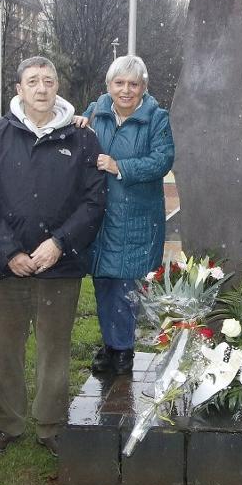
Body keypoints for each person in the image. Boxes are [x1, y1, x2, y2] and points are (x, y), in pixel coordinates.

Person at [0, 56, 106, 457]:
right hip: (3, 266)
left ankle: (51, 425)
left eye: (49, 81)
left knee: (54, 350)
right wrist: (8, 250)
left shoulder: (82, 137)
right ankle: (8, 422)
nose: (42, 88)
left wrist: (59, 243)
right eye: (33, 81)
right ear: (18, 89)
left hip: (58, 266)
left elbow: (93, 201)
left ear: (57, 86)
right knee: (3, 349)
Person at [82, 55, 175, 377]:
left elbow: (162, 160)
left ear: (143, 88)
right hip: (99, 218)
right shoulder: (93, 114)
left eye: (133, 84)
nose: (126, 90)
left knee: (125, 286)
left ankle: (122, 350)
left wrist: (120, 166)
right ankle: (112, 346)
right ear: (108, 86)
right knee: (103, 284)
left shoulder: (157, 118)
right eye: (119, 83)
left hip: (136, 218)